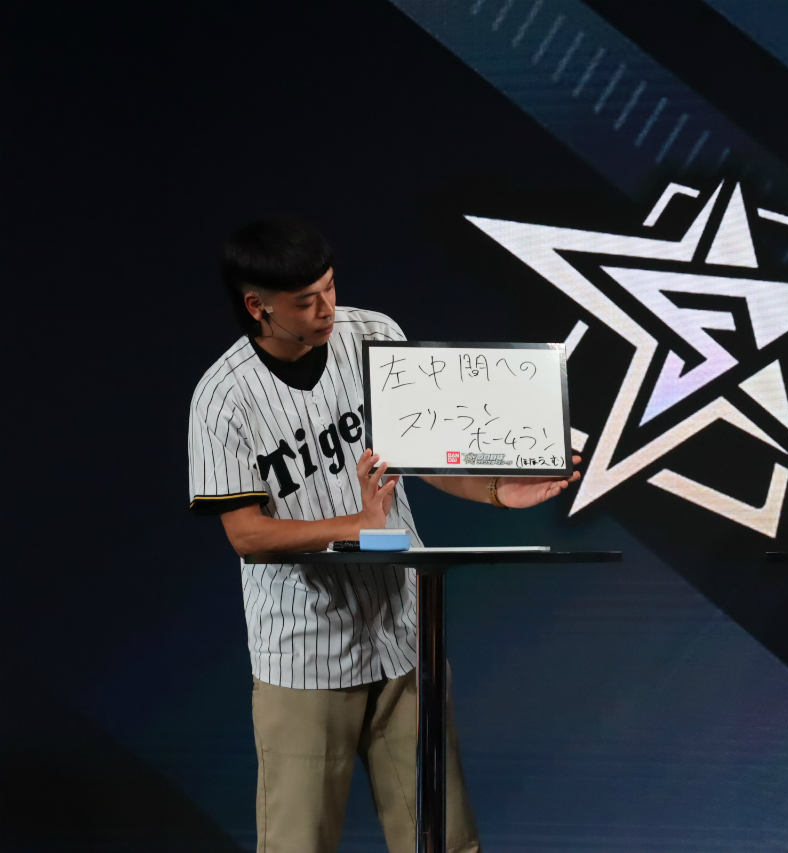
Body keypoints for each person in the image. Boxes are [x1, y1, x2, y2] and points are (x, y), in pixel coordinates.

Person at [188, 216, 580, 853]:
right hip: (305, 649)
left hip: (403, 630)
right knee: (298, 845)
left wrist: (494, 490)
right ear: (257, 306)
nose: (326, 309)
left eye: (330, 287)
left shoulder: (374, 334)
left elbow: (423, 454)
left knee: (444, 840)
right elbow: (247, 534)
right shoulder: (222, 398)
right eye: (305, 301)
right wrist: (356, 525)